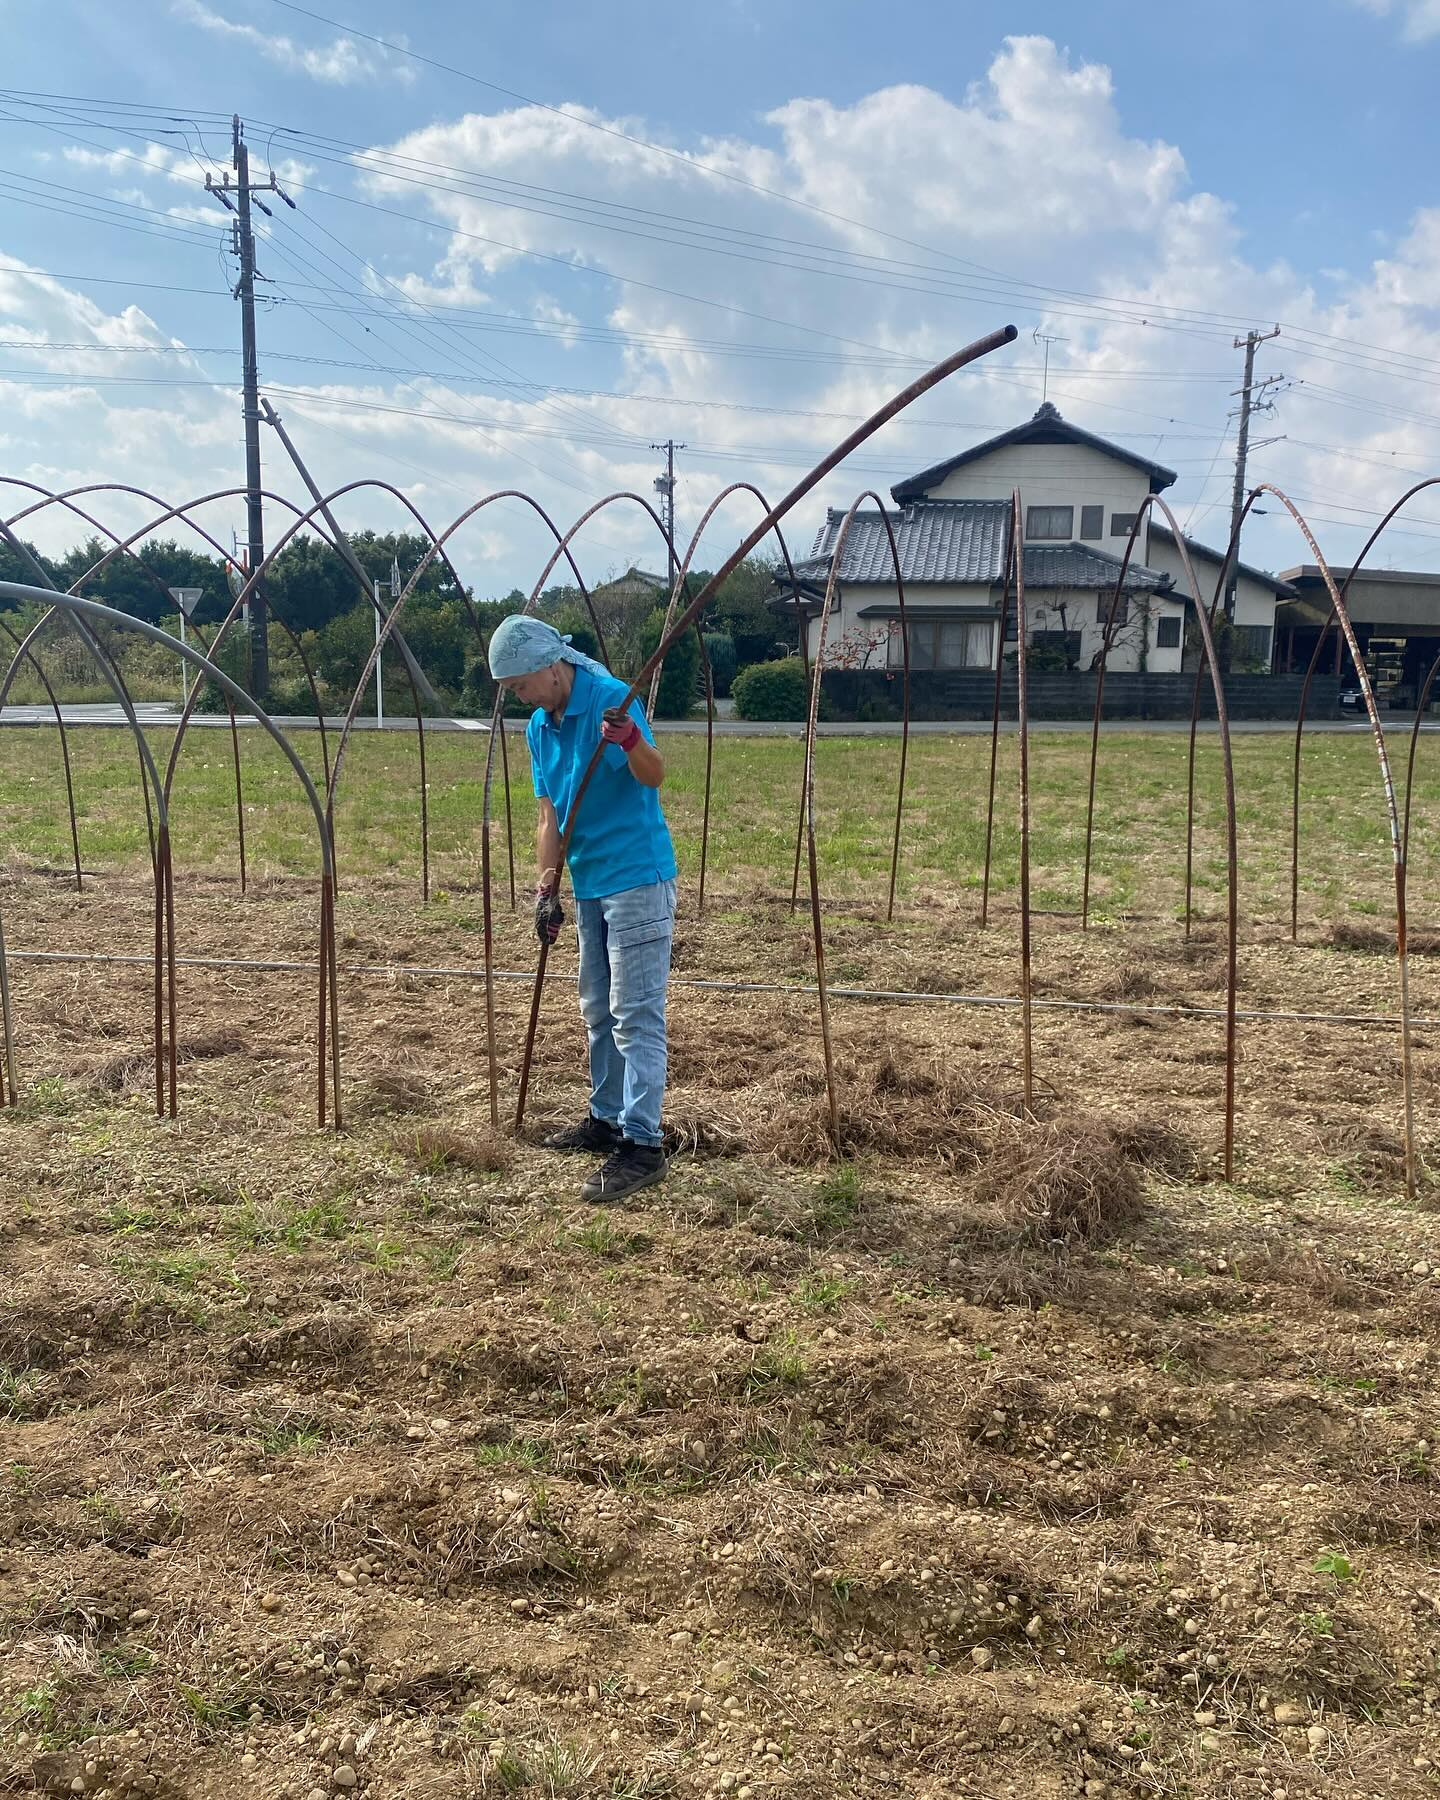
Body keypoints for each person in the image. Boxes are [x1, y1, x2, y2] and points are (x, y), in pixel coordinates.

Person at [487, 614, 677, 1202]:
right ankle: (605, 1118)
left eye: (521, 685)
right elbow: (549, 816)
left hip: (636, 876)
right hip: (589, 879)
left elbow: (654, 775)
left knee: (635, 1011)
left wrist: (630, 740)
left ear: (549, 666)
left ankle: (642, 1144)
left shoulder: (611, 701)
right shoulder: (540, 728)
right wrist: (547, 887)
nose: (520, 698)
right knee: (597, 1006)